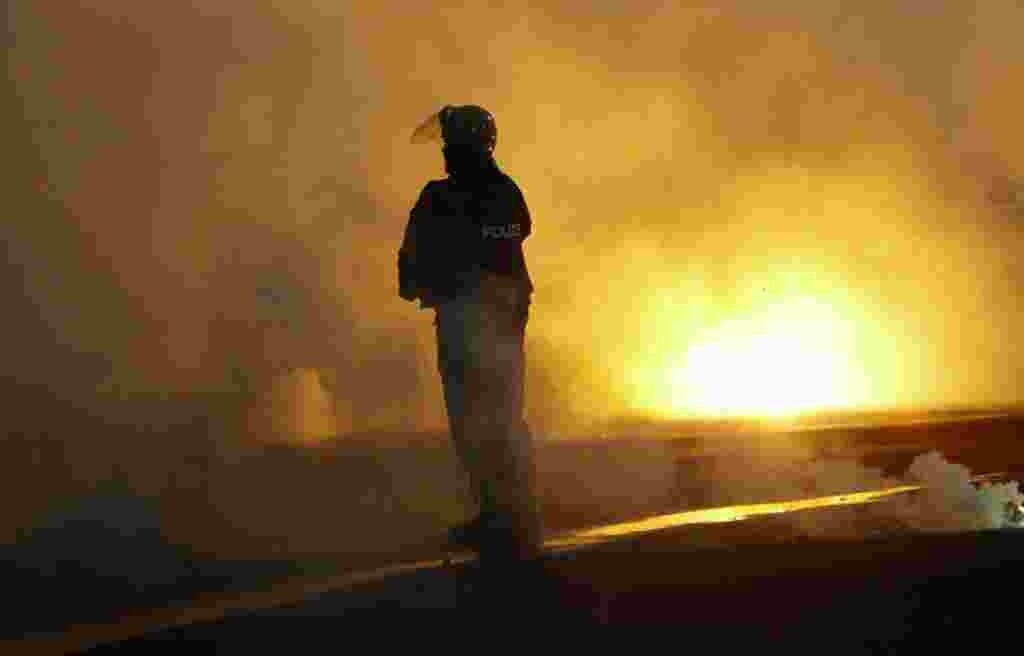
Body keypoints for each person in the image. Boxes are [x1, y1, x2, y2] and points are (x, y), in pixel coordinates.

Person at [398, 105, 541, 557]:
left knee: (476, 420)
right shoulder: (502, 192)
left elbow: (412, 267)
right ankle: (509, 512)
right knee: (496, 417)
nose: (444, 150)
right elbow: (511, 241)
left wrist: (433, 279)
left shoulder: (442, 198)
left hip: (470, 323)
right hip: (498, 322)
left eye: (450, 142)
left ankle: (502, 514)